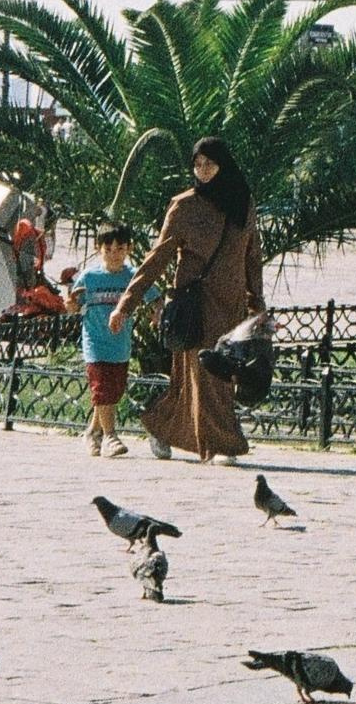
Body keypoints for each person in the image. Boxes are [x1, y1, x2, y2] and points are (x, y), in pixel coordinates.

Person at [114, 139, 268, 466]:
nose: (203, 171)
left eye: (209, 164)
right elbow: (157, 258)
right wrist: (126, 304)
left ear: (224, 165)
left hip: (232, 304)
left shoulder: (243, 202)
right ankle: (224, 444)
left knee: (209, 375)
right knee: (211, 371)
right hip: (196, 304)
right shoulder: (184, 206)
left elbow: (252, 255)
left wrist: (257, 301)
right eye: (197, 165)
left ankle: (161, 425)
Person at [69, 221, 137, 458]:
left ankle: (92, 431)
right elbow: (73, 304)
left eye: (120, 249)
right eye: (108, 249)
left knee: (113, 391)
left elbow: (151, 296)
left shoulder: (132, 277)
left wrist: (158, 311)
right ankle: (110, 436)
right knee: (102, 389)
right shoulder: (89, 277)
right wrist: (70, 304)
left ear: (129, 248)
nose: (114, 254)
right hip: (95, 342)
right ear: (99, 249)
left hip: (120, 345)